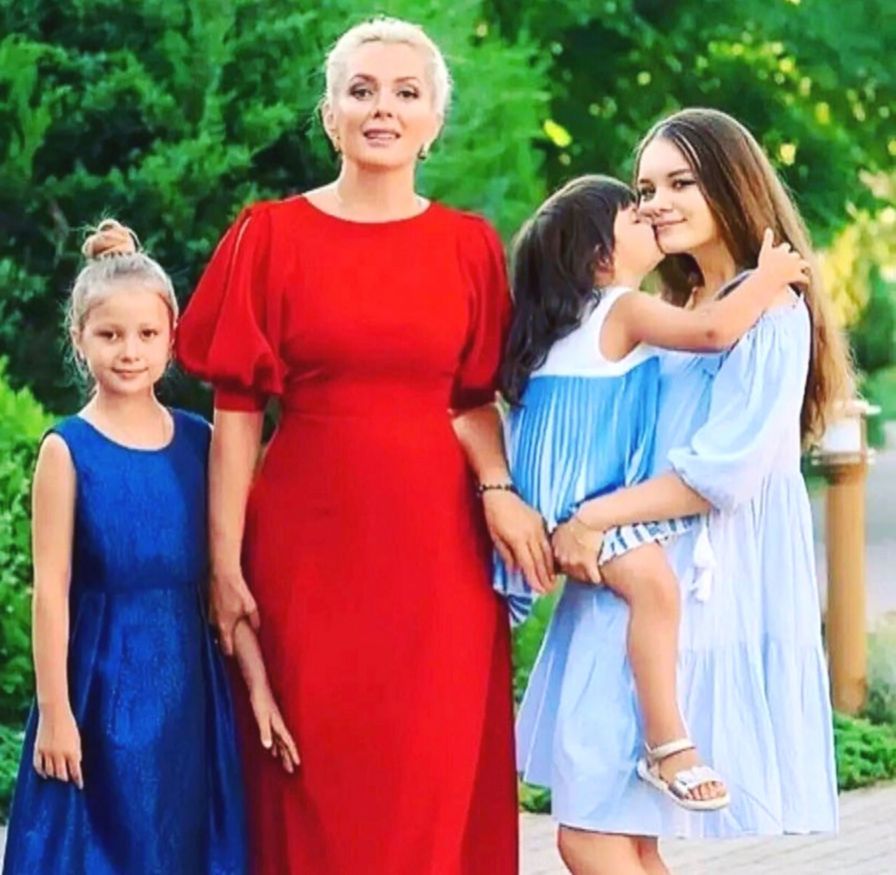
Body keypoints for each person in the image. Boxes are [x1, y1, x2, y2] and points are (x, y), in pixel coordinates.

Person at [176, 17, 549, 875]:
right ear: (330, 115)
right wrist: (224, 564)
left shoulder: (468, 246)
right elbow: (237, 415)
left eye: (406, 93)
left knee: (430, 777)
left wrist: (498, 489)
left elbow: (473, 400)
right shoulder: (268, 235)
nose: (383, 108)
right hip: (306, 557)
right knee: (311, 777)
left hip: (440, 562)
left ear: (432, 122)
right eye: (363, 90)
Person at [523, 109, 851, 875]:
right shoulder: (677, 309)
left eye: (680, 183)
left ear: (732, 184)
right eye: (645, 189)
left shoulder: (767, 310)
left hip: (674, 586)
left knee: (591, 835)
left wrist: (591, 516)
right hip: (624, 579)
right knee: (622, 837)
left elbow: (726, 470)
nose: (657, 203)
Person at [498, 173, 808, 815]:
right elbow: (714, 332)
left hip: (546, 500)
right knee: (657, 590)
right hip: (584, 500)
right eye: (635, 215)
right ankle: (669, 745)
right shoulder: (623, 309)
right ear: (600, 257)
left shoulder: (561, 327)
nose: (651, 214)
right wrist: (767, 279)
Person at [1, 219, 292, 875]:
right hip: (96, 691)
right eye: (109, 335)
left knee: (180, 845)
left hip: (189, 696)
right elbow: (49, 593)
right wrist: (55, 712)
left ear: (172, 337)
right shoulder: (66, 451)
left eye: (146, 334)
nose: (129, 351)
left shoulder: (201, 442)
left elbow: (225, 583)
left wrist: (258, 687)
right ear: (79, 339)